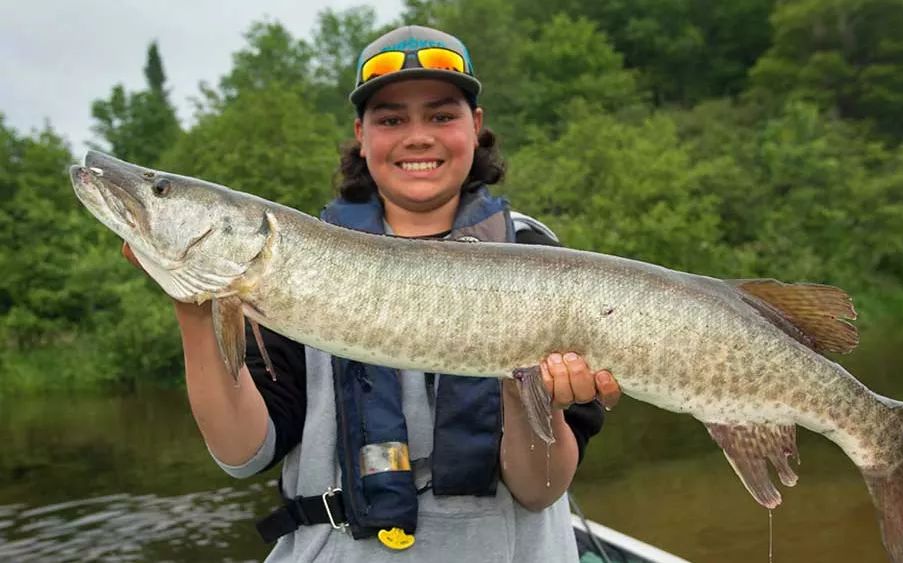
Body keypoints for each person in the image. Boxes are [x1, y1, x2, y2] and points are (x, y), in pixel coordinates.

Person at [124, 24, 621, 563]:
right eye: (390, 119)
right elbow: (243, 452)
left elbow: (539, 489)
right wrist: (194, 309)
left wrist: (533, 401)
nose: (417, 136)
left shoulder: (531, 252)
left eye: (441, 114)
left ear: (475, 127)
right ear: (361, 135)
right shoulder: (287, 261)